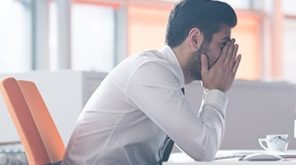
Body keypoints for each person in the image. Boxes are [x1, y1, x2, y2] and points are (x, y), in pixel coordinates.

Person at [62, 0, 241, 164]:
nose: (228, 57)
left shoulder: (163, 73)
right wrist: (216, 91)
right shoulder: (150, 71)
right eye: (223, 45)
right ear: (195, 39)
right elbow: (204, 149)